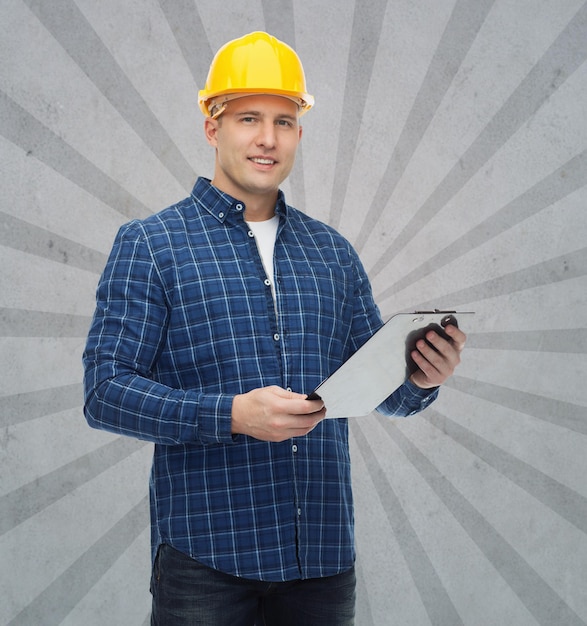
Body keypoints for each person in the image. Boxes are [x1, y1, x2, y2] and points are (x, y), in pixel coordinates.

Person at [83, 31, 466, 626]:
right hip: (204, 561)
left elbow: (382, 392)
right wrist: (233, 415)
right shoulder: (151, 246)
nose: (268, 138)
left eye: (285, 121)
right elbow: (105, 393)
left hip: (321, 561)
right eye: (249, 118)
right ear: (213, 127)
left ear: (299, 134)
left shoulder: (332, 253)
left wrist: (420, 377)